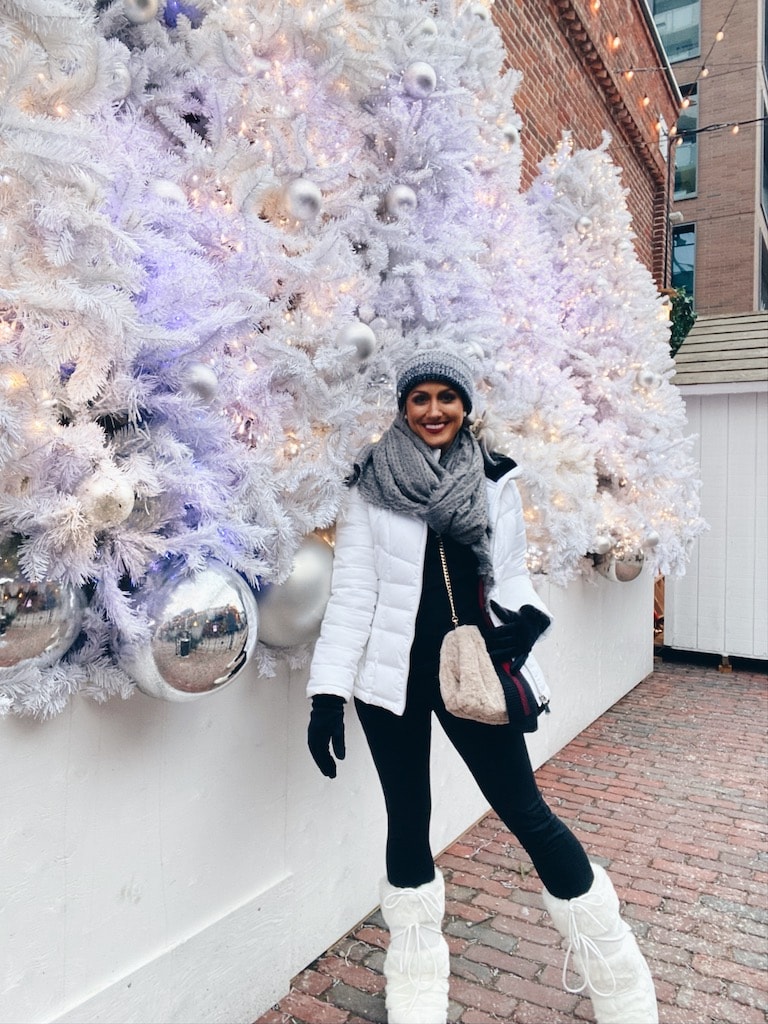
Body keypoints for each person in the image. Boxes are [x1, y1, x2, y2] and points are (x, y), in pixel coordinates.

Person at [306, 348, 658, 1024]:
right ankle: (414, 981)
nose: (434, 410)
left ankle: (616, 972)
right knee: (407, 820)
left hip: (473, 670)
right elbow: (351, 594)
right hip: (393, 680)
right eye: (420, 398)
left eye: (447, 397)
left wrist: (526, 623)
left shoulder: (494, 475)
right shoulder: (371, 484)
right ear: (403, 407)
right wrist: (326, 694)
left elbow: (512, 574)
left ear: (466, 406)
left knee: (525, 811)